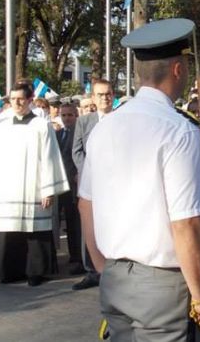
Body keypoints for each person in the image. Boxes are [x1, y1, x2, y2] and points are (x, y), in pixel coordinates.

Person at [78, 18, 200, 342]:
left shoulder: (106, 126)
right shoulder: (178, 130)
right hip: (163, 285)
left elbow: (86, 203)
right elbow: (186, 224)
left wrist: (102, 266)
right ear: (177, 70)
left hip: (115, 276)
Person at [0, 82, 68, 286]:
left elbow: (50, 158)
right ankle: (9, 271)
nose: (17, 103)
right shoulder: (3, 125)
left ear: (30, 100)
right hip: (8, 188)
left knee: (35, 231)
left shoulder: (41, 125)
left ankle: (35, 272)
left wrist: (48, 190)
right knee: (9, 230)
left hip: (33, 187)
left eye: (21, 99)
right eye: (13, 99)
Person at [71, 79, 114, 290]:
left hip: (114, 183)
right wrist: (88, 172)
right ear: (93, 98)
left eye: (108, 94)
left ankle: (112, 267)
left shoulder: (121, 120)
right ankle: (91, 270)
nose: (104, 98)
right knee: (88, 224)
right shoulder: (84, 121)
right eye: (100, 94)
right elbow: (76, 151)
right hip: (90, 184)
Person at [56, 103, 82, 274]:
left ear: (76, 115)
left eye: (70, 115)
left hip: (73, 184)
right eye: (64, 115)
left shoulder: (79, 134)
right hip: (58, 184)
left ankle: (76, 256)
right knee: (56, 220)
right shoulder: (56, 134)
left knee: (74, 222)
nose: (67, 119)